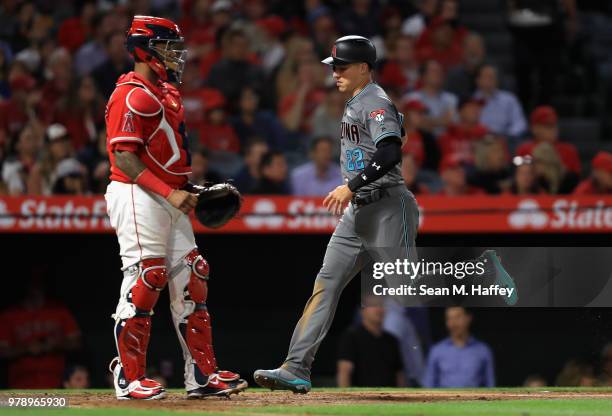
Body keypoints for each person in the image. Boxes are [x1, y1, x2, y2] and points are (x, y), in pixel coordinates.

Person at [254, 35, 419, 393]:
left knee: (406, 291)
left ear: (363, 68)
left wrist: (352, 185)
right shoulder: (356, 100)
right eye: (334, 67)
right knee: (325, 286)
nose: (336, 73)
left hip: (388, 205)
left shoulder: (375, 100)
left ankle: (429, 371)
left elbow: (390, 152)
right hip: (358, 214)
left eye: (342, 67)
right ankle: (296, 367)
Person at [103, 16, 247, 400]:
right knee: (147, 277)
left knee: (193, 275)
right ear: (145, 49)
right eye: (169, 47)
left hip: (167, 193)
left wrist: (189, 190)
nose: (176, 54)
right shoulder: (132, 94)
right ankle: (128, 376)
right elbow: (124, 156)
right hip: (136, 193)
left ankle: (200, 375)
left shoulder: (164, 91)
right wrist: (170, 194)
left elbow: (163, 155)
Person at [0, 274, 81, 389]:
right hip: (20, 386)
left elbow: (76, 343)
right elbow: (2, 351)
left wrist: (53, 345)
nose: (36, 289)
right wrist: (26, 348)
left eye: (39, 284)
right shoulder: (9, 315)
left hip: (56, 384)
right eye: (32, 284)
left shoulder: (59, 311)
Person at [336, 300, 405, 387]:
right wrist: (346, 397)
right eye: (373, 305)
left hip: (390, 398)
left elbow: (399, 375)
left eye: (381, 305)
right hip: (362, 398)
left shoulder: (392, 341)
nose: (379, 309)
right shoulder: (351, 337)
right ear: (362, 311)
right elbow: (344, 372)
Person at [423, 307, 495, 388]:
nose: (453, 323)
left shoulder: (483, 350)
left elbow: (490, 386)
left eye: (457, 317)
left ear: (468, 318)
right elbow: (429, 385)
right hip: (444, 400)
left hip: (473, 400)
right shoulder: (437, 351)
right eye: (449, 319)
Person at [515, 106, 581, 175]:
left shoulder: (569, 151)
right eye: (548, 126)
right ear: (535, 128)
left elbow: (576, 178)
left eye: (554, 125)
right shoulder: (524, 150)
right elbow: (519, 176)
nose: (554, 130)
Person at [404, 60, 458, 136]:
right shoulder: (412, 98)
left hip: (445, 142)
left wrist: (428, 121)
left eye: (440, 71)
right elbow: (416, 123)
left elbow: (452, 122)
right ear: (423, 76)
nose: (438, 74)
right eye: (433, 71)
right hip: (421, 142)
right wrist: (442, 121)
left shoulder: (451, 99)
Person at [473, 65, 527, 139]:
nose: (490, 80)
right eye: (486, 77)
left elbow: (520, 123)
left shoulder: (509, 99)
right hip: (478, 139)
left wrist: (508, 135)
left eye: (492, 77)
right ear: (478, 80)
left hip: (504, 139)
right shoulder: (471, 100)